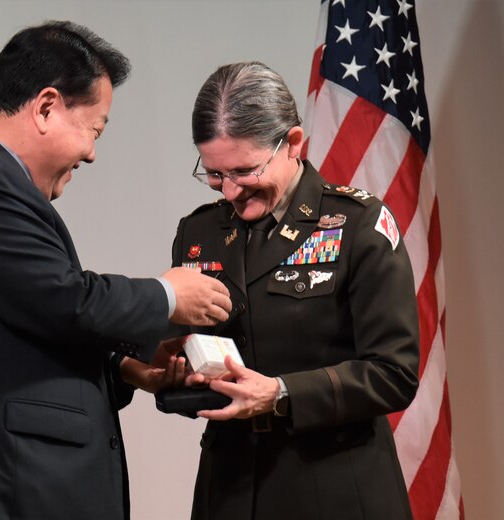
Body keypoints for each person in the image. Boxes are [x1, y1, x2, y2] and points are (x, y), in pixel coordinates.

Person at [0, 21, 232, 520]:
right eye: (95, 129)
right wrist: (168, 295)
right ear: (46, 107)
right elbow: (68, 301)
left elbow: (25, 337)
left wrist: (127, 370)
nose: (91, 151)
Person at [171, 62, 420, 519]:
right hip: (229, 488)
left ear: (293, 144)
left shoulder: (358, 226)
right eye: (213, 175)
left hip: (332, 488)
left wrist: (282, 393)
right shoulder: (199, 232)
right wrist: (178, 377)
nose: (229, 192)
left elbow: (393, 372)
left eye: (244, 171)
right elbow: (203, 353)